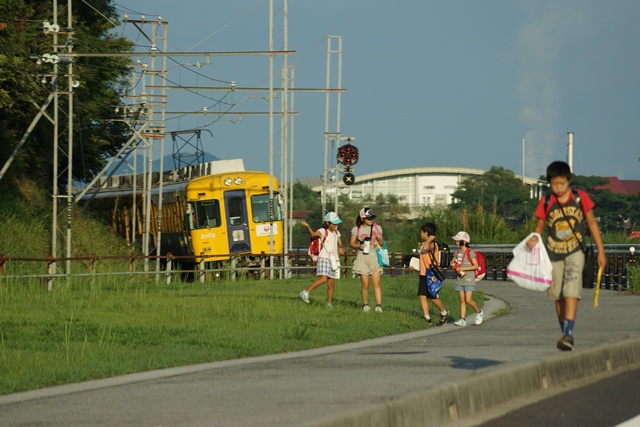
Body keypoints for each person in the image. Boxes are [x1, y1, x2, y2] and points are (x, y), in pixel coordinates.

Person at [527, 161, 607, 351]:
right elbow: (539, 227)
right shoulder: (547, 201)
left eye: (562, 184)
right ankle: (564, 332)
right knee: (557, 296)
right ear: (550, 183)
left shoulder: (580, 198)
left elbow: (592, 224)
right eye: (555, 184)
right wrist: (534, 239)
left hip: (575, 251)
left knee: (571, 289)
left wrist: (601, 251)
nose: (559, 188)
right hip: (553, 254)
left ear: (569, 181)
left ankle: (568, 333)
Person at [299, 212, 345, 308]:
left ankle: (329, 304)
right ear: (328, 223)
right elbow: (313, 234)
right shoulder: (323, 231)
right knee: (323, 279)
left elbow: (339, 242)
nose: (335, 225)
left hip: (334, 259)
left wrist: (341, 248)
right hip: (324, 257)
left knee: (331, 284)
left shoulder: (337, 233)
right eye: (333, 223)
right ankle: (305, 292)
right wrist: (308, 226)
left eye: (336, 223)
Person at [413, 222, 449, 326]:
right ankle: (426, 317)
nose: (421, 233)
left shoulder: (432, 244)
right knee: (422, 295)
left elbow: (425, 249)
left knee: (433, 297)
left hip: (431, 275)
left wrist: (429, 239)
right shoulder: (426, 243)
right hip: (423, 274)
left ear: (426, 233)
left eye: (422, 232)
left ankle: (444, 312)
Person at [350, 207, 384, 313]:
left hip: (374, 256)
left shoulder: (377, 228)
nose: (371, 220)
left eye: (372, 218)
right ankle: (366, 305)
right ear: (362, 218)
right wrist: (359, 245)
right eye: (369, 218)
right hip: (362, 257)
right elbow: (352, 243)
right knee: (365, 284)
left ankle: (378, 305)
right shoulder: (357, 229)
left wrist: (380, 239)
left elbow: (381, 244)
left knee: (376, 282)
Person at [450, 231, 483, 326]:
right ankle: (462, 319)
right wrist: (453, 263)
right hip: (460, 279)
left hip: (469, 279)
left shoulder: (470, 253)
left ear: (464, 242)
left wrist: (463, 268)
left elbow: (476, 266)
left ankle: (478, 312)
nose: (456, 242)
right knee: (462, 300)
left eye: (457, 240)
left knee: (468, 300)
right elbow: (453, 261)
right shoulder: (457, 252)